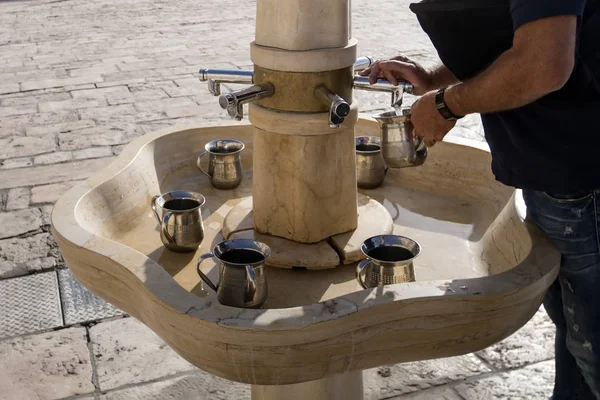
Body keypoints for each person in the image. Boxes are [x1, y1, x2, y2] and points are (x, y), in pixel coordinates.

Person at [361, 0, 600, 399]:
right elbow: (514, 37)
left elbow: (543, 62)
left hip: (585, 180)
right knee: (578, 338)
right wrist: (435, 79)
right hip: (558, 176)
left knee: (592, 345)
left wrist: (446, 104)